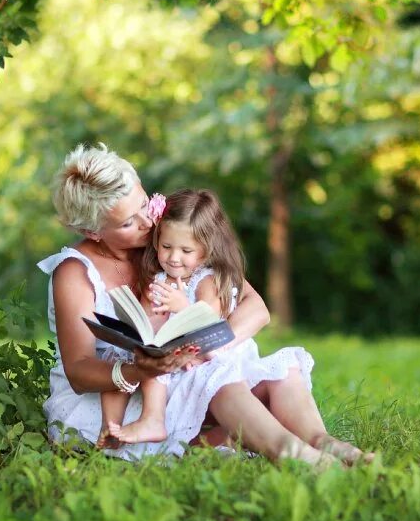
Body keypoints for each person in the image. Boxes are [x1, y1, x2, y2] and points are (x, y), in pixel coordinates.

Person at [39, 144, 372, 464]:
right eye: (128, 222)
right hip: (111, 397)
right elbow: (80, 372)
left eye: (144, 204)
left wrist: (210, 342)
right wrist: (142, 369)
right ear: (91, 231)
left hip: (177, 375)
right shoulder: (74, 272)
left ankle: (326, 444)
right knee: (216, 377)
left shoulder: (166, 242)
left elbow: (255, 307)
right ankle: (295, 455)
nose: (146, 222)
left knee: (275, 375)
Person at [102, 188, 316, 448]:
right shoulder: (157, 279)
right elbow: (149, 320)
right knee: (134, 355)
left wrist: (182, 306)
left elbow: (209, 321)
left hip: (210, 357)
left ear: (205, 251)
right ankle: (143, 420)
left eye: (186, 250)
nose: (174, 257)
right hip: (176, 360)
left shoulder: (208, 279)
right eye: (167, 246)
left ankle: (160, 421)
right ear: (157, 241)